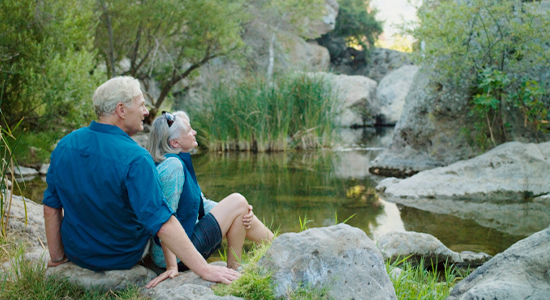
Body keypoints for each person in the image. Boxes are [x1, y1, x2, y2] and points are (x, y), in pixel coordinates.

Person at [43, 76, 239, 285]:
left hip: (78, 254)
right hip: (122, 256)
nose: (146, 112)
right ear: (121, 110)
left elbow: (50, 208)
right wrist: (204, 269)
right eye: (142, 104)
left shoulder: (65, 145)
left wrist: (57, 257)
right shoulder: (136, 158)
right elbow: (162, 222)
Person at [144, 110, 274, 288]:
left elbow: (200, 203)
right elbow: (165, 220)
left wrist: (236, 211)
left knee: (240, 207)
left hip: (184, 243)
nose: (194, 132)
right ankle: (235, 272)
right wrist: (171, 266)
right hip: (180, 253)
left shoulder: (176, 160)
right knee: (238, 201)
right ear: (175, 142)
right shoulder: (172, 167)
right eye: (189, 130)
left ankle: (278, 245)